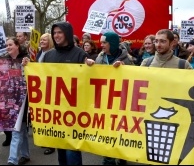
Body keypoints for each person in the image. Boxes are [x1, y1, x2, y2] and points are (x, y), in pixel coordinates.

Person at [40, 22, 88, 165]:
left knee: (71, 150)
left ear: (67, 33)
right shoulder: (49, 55)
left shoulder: (80, 54)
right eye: (54, 33)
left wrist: (91, 66)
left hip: (74, 111)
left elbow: (88, 81)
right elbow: (41, 78)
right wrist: (27, 65)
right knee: (61, 148)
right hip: (56, 111)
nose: (56, 35)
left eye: (60, 32)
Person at [84, 31, 132, 165]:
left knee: (121, 131)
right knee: (107, 132)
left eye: (105, 42)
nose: (102, 45)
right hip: (105, 102)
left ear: (113, 43)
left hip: (121, 103)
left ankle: (122, 156)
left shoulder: (127, 59)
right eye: (101, 42)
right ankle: (108, 160)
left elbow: (135, 78)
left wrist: (125, 69)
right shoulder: (100, 58)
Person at [0, 37, 30, 165]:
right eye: (7, 45)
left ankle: (12, 160)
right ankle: (25, 155)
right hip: (10, 99)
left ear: (17, 45)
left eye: (10, 44)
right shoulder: (5, 60)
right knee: (20, 128)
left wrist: (28, 64)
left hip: (24, 99)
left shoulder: (26, 58)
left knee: (17, 130)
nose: (8, 47)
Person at [35, 33, 56, 155]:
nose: (42, 41)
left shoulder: (52, 53)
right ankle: (45, 138)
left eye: (44, 40)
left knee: (50, 117)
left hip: (50, 87)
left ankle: (52, 144)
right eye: (41, 39)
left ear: (50, 41)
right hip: (40, 87)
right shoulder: (38, 53)